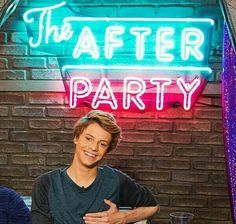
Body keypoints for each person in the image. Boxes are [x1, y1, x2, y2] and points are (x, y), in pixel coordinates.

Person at [31, 110, 159, 224]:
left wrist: (122, 218)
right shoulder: (45, 183)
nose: (93, 147)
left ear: (107, 150)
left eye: (102, 144)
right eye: (88, 138)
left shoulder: (115, 180)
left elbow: (153, 206)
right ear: (76, 137)